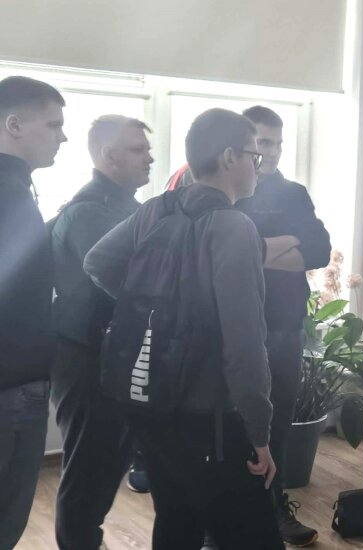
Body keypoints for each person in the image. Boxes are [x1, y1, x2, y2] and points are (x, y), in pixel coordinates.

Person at [84, 108, 283, 549]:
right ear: (229, 157)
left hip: (153, 403)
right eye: (254, 155)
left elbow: (98, 262)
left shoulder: (157, 208)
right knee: (253, 535)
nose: (259, 166)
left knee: (177, 520)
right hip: (210, 415)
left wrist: (155, 308)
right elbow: (246, 343)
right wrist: (260, 434)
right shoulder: (233, 226)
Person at [167, 106, 330, 548]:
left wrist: (247, 250)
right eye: (261, 144)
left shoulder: (293, 194)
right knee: (224, 431)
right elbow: (203, 253)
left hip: (283, 326)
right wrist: (282, 245)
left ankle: (273, 508)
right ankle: (215, 526)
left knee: (275, 427)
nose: (269, 152)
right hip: (222, 332)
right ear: (236, 149)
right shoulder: (212, 191)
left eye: (277, 143)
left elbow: (318, 251)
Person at [50, 115, 153, 549]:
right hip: (86, 358)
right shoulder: (89, 212)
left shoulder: (128, 207)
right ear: (109, 157)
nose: (149, 158)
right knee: (89, 473)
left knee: (108, 465)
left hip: (113, 355)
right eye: (138, 150)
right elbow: (135, 280)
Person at [0, 76, 67, 549]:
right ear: (13, 124)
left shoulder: (15, 190)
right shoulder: (8, 194)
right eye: (53, 125)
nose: (63, 136)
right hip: (11, 386)